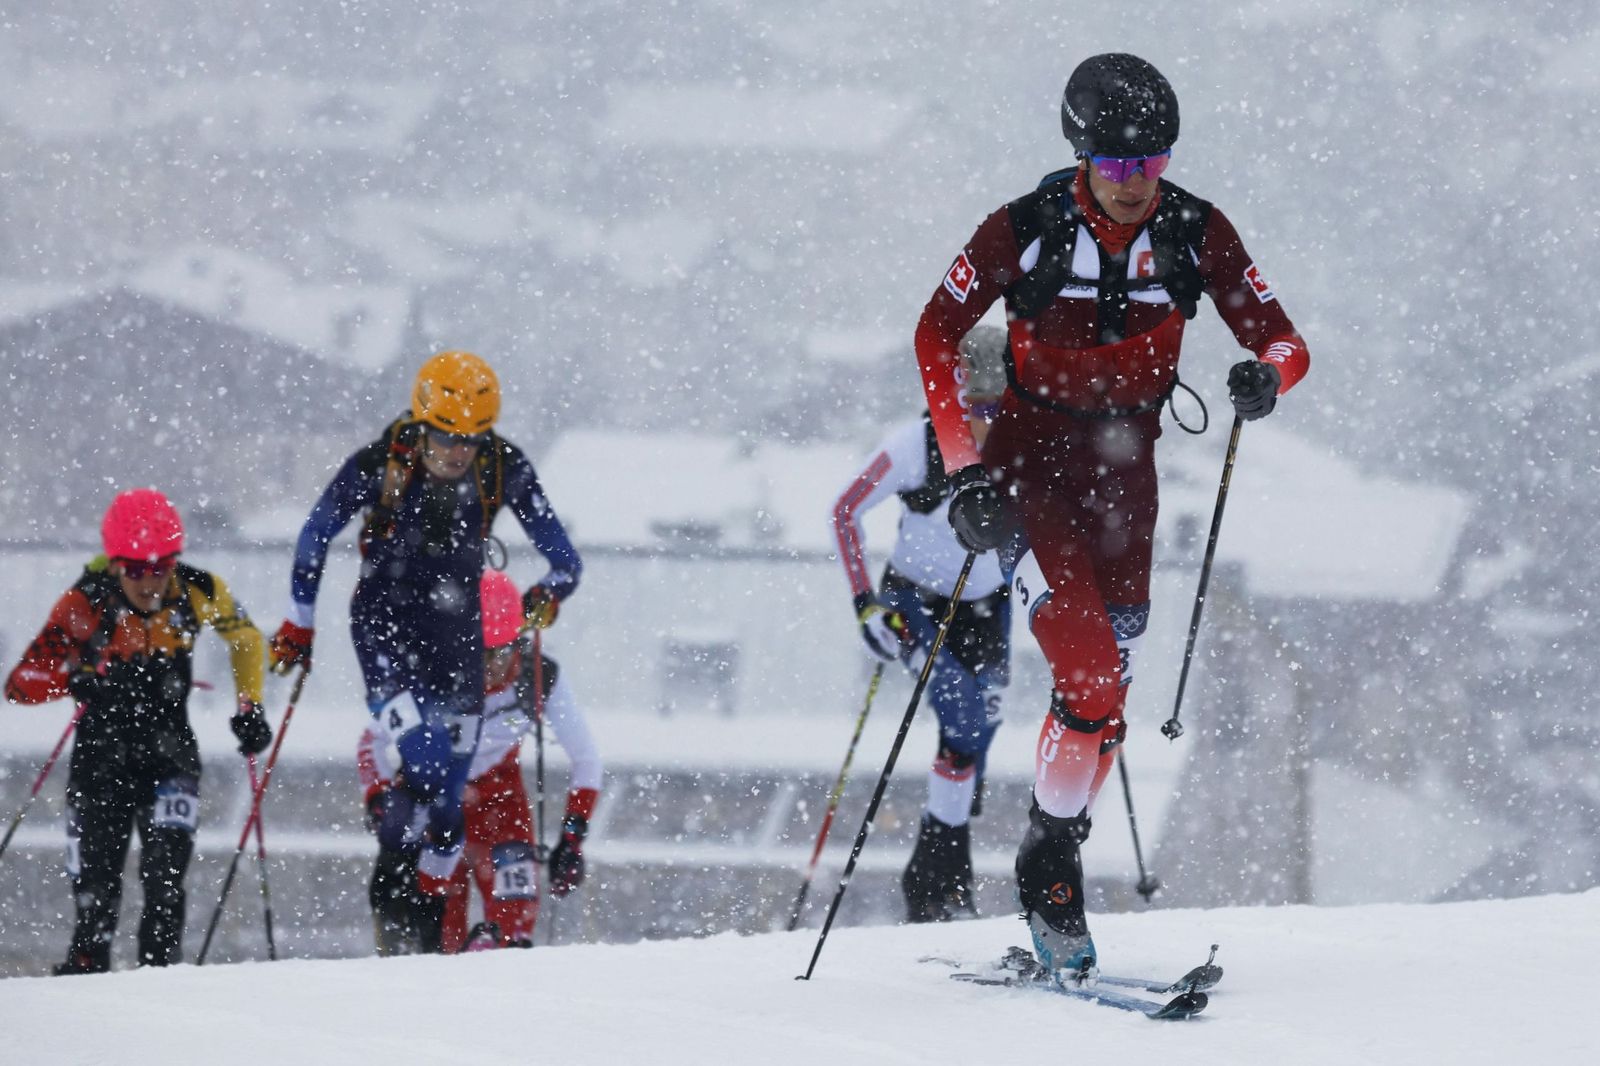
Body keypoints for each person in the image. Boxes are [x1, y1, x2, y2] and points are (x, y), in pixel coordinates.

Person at [912, 54, 1310, 976]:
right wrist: (964, 467)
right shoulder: (1025, 228)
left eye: (1154, 163)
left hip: (1126, 480)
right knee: (1089, 667)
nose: (1137, 184)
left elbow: (1283, 337)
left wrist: (1266, 377)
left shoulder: (1195, 231)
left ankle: (1058, 829)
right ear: (1083, 154)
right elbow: (936, 329)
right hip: (1026, 474)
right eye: (1120, 165)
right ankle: (1050, 858)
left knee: (1106, 695)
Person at [268, 350, 582, 941]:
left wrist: (547, 594)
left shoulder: (501, 465)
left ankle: (426, 934)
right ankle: (394, 893)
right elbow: (315, 533)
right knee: (428, 759)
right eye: (445, 437)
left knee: (446, 812)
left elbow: (566, 560)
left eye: (470, 438)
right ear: (421, 422)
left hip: (457, 635)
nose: (457, 451)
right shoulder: (381, 463)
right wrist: (298, 622)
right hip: (385, 630)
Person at [5, 488, 271, 974]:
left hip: (170, 763)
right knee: (97, 898)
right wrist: (73, 680)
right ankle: (86, 995)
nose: (150, 582)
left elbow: (247, 639)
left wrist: (249, 705)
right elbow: (21, 684)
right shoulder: (83, 603)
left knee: (166, 887)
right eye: (136, 570)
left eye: (161, 567)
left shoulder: (198, 589)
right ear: (114, 564)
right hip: (99, 767)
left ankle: (162, 988)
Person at [830, 325, 1013, 923]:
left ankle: (934, 880)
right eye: (975, 407)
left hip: (989, 606)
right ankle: (941, 884)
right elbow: (844, 512)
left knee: (976, 735)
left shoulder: (1024, 443)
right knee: (960, 709)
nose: (987, 422)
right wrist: (864, 603)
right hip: (914, 604)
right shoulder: (916, 444)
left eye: (999, 406)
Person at [357, 570, 604, 953]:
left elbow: (586, 759)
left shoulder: (540, 676)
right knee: (439, 942)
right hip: (439, 810)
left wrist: (572, 839)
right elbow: (370, 742)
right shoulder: (429, 676)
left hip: (502, 805)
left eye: (500, 652)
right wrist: (379, 797)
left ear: (517, 643)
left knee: (512, 936)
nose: (488, 667)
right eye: (477, 654)